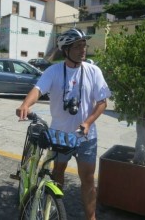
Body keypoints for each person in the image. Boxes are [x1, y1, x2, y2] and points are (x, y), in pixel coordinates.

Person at [16, 28, 111, 220]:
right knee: (58, 172)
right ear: (65, 49)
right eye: (77, 46)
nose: (82, 50)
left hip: (86, 137)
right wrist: (25, 104)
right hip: (59, 135)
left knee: (87, 179)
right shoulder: (54, 71)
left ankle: (91, 217)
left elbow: (102, 102)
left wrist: (87, 122)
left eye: (84, 45)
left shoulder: (94, 71)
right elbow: (38, 89)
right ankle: (55, 204)